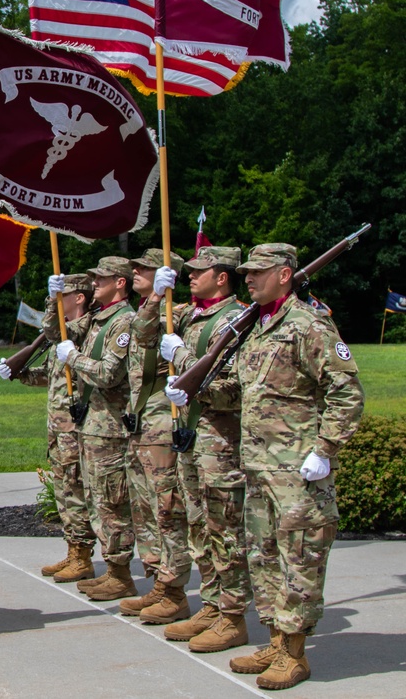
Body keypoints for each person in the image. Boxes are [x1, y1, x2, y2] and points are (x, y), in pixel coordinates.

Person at [166, 244, 363, 690]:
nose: (249, 279)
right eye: (247, 272)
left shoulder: (309, 325)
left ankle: (295, 652)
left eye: (259, 272)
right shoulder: (258, 327)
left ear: (286, 274)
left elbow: (346, 392)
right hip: (256, 465)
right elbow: (241, 391)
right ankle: (277, 638)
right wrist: (193, 387)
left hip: (297, 470)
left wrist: (325, 449)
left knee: (300, 559)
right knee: (265, 557)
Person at [158, 246, 253, 653]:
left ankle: (232, 616)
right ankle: (212, 603)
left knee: (225, 529)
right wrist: (151, 297)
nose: (190, 276)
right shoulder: (194, 315)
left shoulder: (234, 319)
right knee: (199, 525)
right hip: (193, 435)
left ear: (223, 276)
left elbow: (233, 388)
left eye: (201, 271)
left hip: (220, 440)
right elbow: (145, 333)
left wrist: (178, 357)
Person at [0, 274, 98, 582]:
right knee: (65, 491)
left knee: (75, 490)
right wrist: (18, 373)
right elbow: (52, 376)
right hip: (58, 427)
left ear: (79, 297)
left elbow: (55, 331)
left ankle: (82, 556)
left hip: (75, 426)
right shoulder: (63, 338)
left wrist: (48, 310)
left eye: (61, 295)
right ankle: (73, 550)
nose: (56, 302)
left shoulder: (85, 330)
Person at [48, 257, 136, 602]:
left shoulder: (123, 320)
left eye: (102, 278)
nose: (94, 283)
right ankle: (109, 568)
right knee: (98, 500)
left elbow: (107, 374)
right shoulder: (100, 319)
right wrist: (50, 302)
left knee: (111, 502)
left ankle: (119, 572)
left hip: (109, 426)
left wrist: (75, 359)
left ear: (121, 283)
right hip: (92, 424)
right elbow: (57, 333)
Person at [118, 249, 192, 624]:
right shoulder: (151, 310)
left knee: (167, 510)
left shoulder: (178, 314)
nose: (136, 271)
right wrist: (153, 299)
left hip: (165, 420)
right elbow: (140, 331)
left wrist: (162, 301)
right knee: (146, 508)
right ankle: (160, 581)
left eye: (145, 268)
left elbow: (147, 334)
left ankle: (174, 589)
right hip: (143, 421)